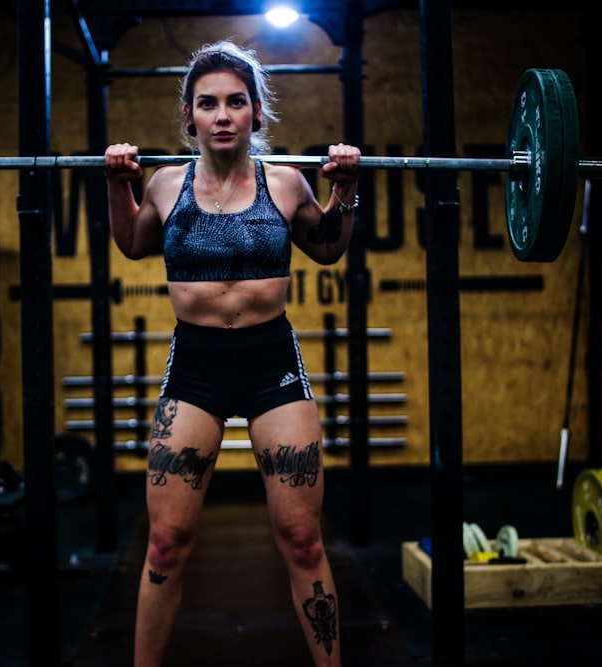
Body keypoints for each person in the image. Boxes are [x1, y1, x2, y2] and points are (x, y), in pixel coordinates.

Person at [105, 39, 359, 667]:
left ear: (256, 115)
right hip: (196, 367)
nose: (222, 115)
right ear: (190, 116)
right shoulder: (166, 185)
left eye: (236, 103)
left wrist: (345, 190)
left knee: (302, 538)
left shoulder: (286, 182)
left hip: (271, 361)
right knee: (166, 543)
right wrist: (118, 184)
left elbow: (327, 247)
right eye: (208, 103)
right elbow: (134, 245)